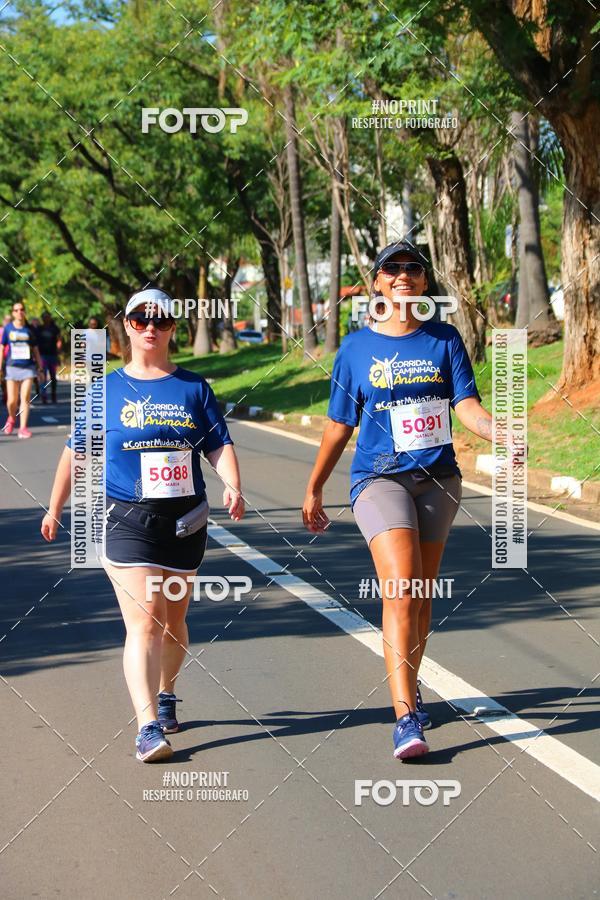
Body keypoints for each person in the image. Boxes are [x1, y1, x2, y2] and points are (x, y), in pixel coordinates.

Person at [303, 241, 495, 760]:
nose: (403, 275)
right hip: (379, 480)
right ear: (378, 282)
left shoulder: (444, 339)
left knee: (422, 596)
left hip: (438, 481)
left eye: (413, 268)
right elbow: (339, 425)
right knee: (402, 588)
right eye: (393, 268)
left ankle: (411, 686)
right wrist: (315, 485)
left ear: (425, 282)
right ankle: (405, 716)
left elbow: (466, 405)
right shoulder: (355, 349)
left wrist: (497, 430)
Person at [41, 288, 245, 762]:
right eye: (140, 319)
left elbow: (217, 444)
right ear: (127, 326)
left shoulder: (194, 388)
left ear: (173, 327)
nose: (150, 327)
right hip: (126, 519)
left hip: (185, 520)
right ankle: (147, 726)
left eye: (161, 320)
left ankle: (167, 692)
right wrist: (55, 507)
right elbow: (76, 451)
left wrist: (233, 484)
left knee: (173, 621)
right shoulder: (105, 390)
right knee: (147, 617)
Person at [1, 301, 44, 438]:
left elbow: (36, 350)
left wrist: (40, 368)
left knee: (25, 398)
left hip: (28, 368)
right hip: (12, 367)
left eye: (22, 309)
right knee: (11, 401)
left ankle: (23, 428)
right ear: (13, 313)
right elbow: (2, 348)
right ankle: (11, 418)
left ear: (24, 311)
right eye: (16, 310)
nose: (19, 312)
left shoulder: (30, 329)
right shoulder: (8, 328)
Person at [35, 311, 62, 404]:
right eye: (44, 317)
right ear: (42, 318)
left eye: (48, 317)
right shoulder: (39, 329)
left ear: (50, 318)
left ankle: (54, 395)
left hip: (52, 355)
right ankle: (44, 395)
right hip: (42, 356)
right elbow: (35, 343)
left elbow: (59, 340)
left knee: (53, 377)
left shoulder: (55, 328)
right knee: (43, 376)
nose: (46, 318)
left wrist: (58, 350)